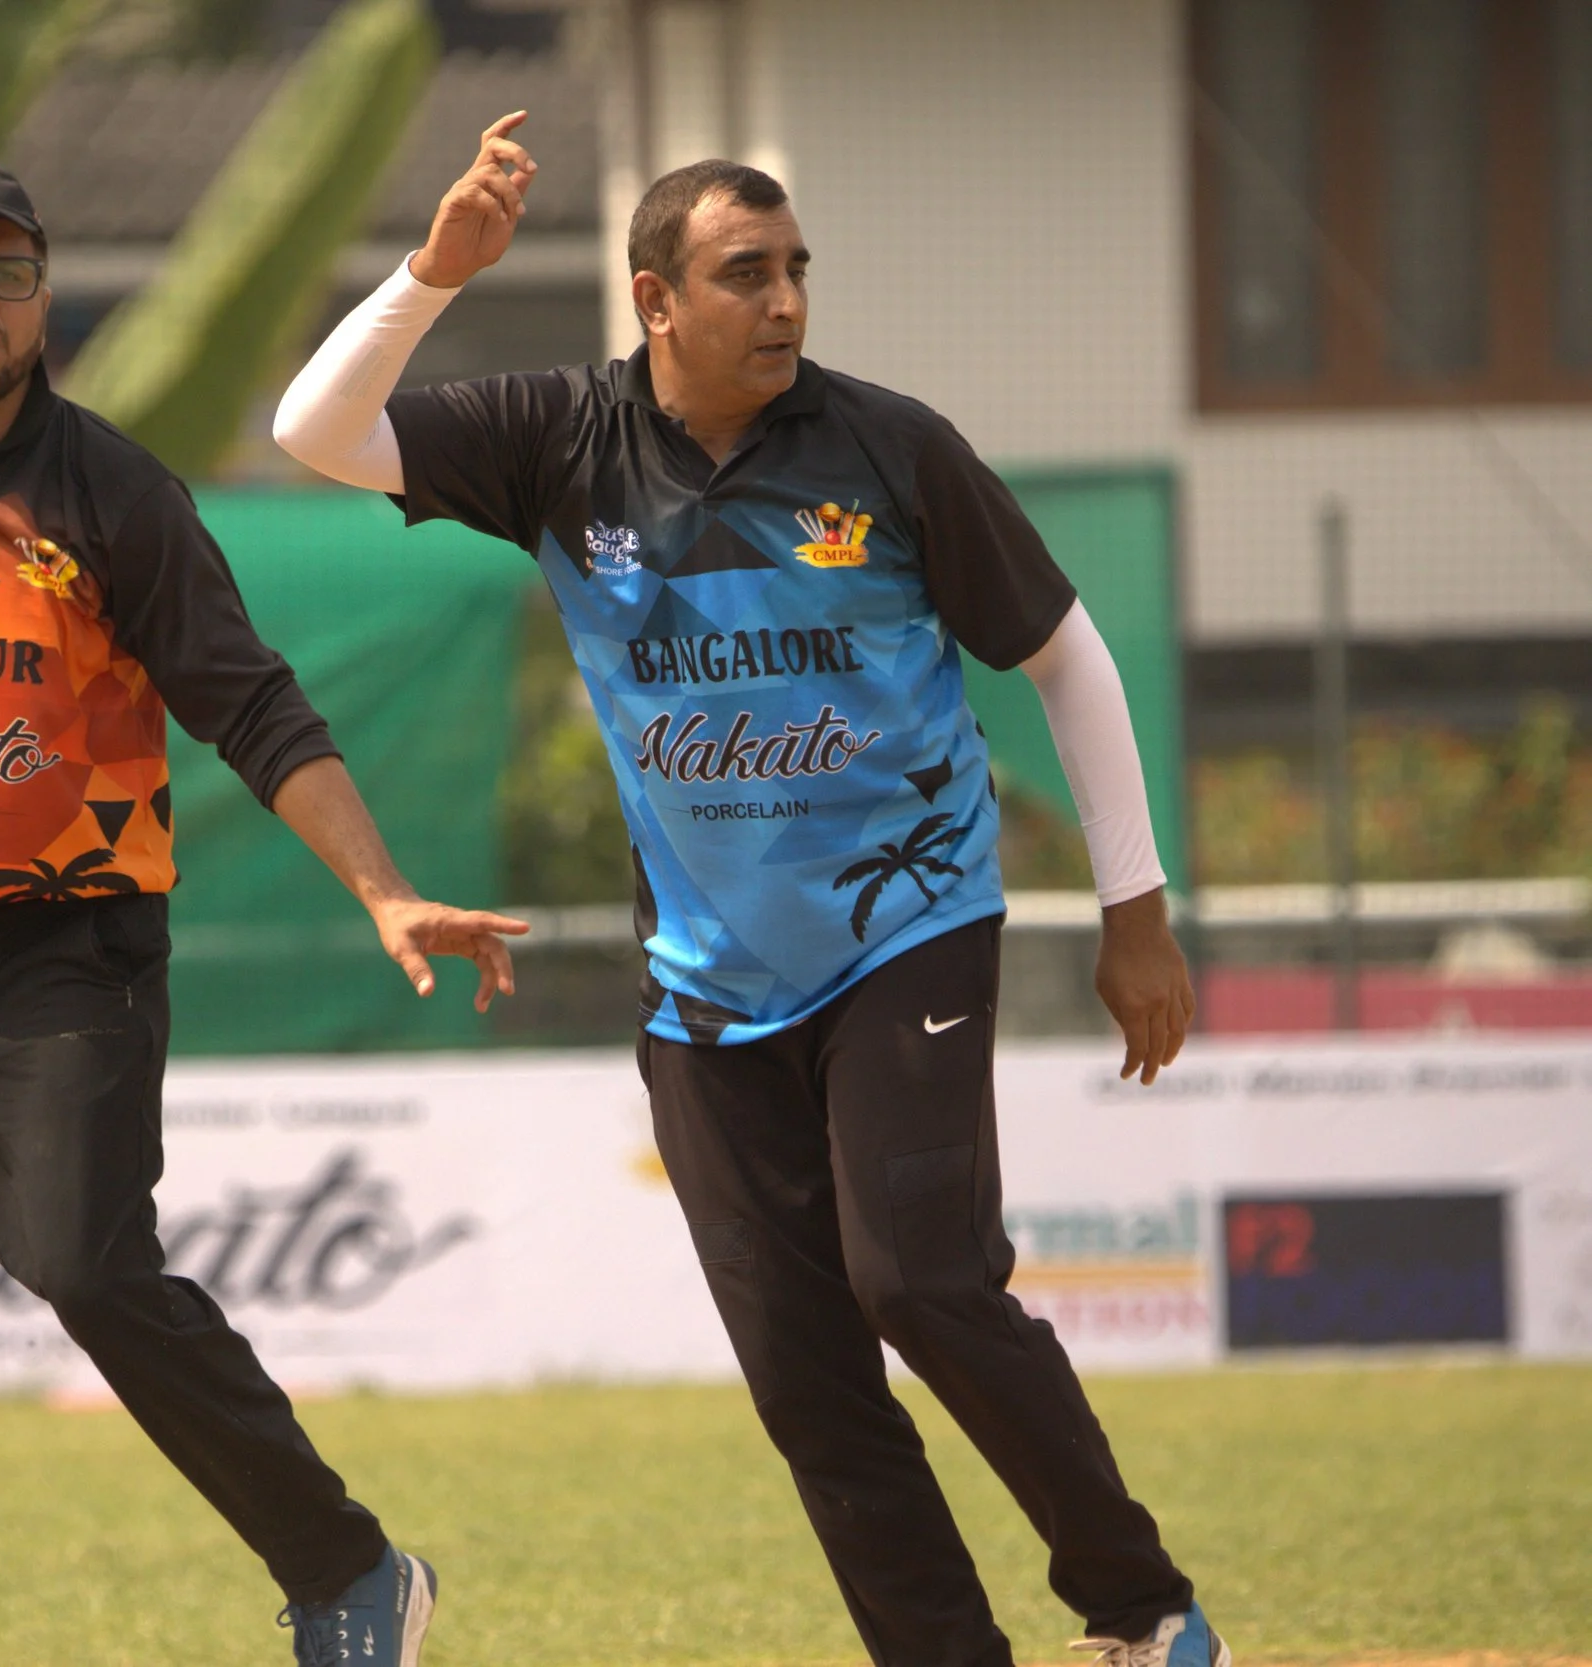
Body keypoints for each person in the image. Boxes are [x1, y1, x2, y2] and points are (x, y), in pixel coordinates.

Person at [274, 116, 1225, 1667]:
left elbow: (1063, 651)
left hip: (908, 923)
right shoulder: (556, 437)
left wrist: (1136, 909)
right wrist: (435, 272)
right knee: (802, 1368)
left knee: (917, 1278)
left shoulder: (890, 445)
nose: (782, 302)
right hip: (707, 980)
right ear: (655, 299)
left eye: (795, 272)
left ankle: (1144, 1613)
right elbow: (315, 429)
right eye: (743, 275)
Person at [0, 159, 523, 1667]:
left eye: (6, 271)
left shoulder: (114, 492)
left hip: (69, 943)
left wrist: (385, 889)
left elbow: (251, 705)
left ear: (45, 297)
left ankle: (348, 1569)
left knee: (79, 1261)